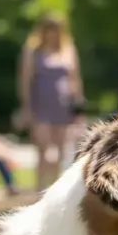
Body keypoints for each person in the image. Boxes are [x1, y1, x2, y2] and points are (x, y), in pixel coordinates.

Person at [18, 14, 84, 193]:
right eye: (50, 30)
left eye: (56, 29)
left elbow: (75, 80)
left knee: (62, 152)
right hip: (41, 106)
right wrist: (26, 107)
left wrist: (79, 109)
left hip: (63, 107)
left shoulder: (68, 49)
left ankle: (54, 191)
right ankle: (39, 190)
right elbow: (25, 80)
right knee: (45, 152)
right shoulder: (33, 51)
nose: (53, 34)